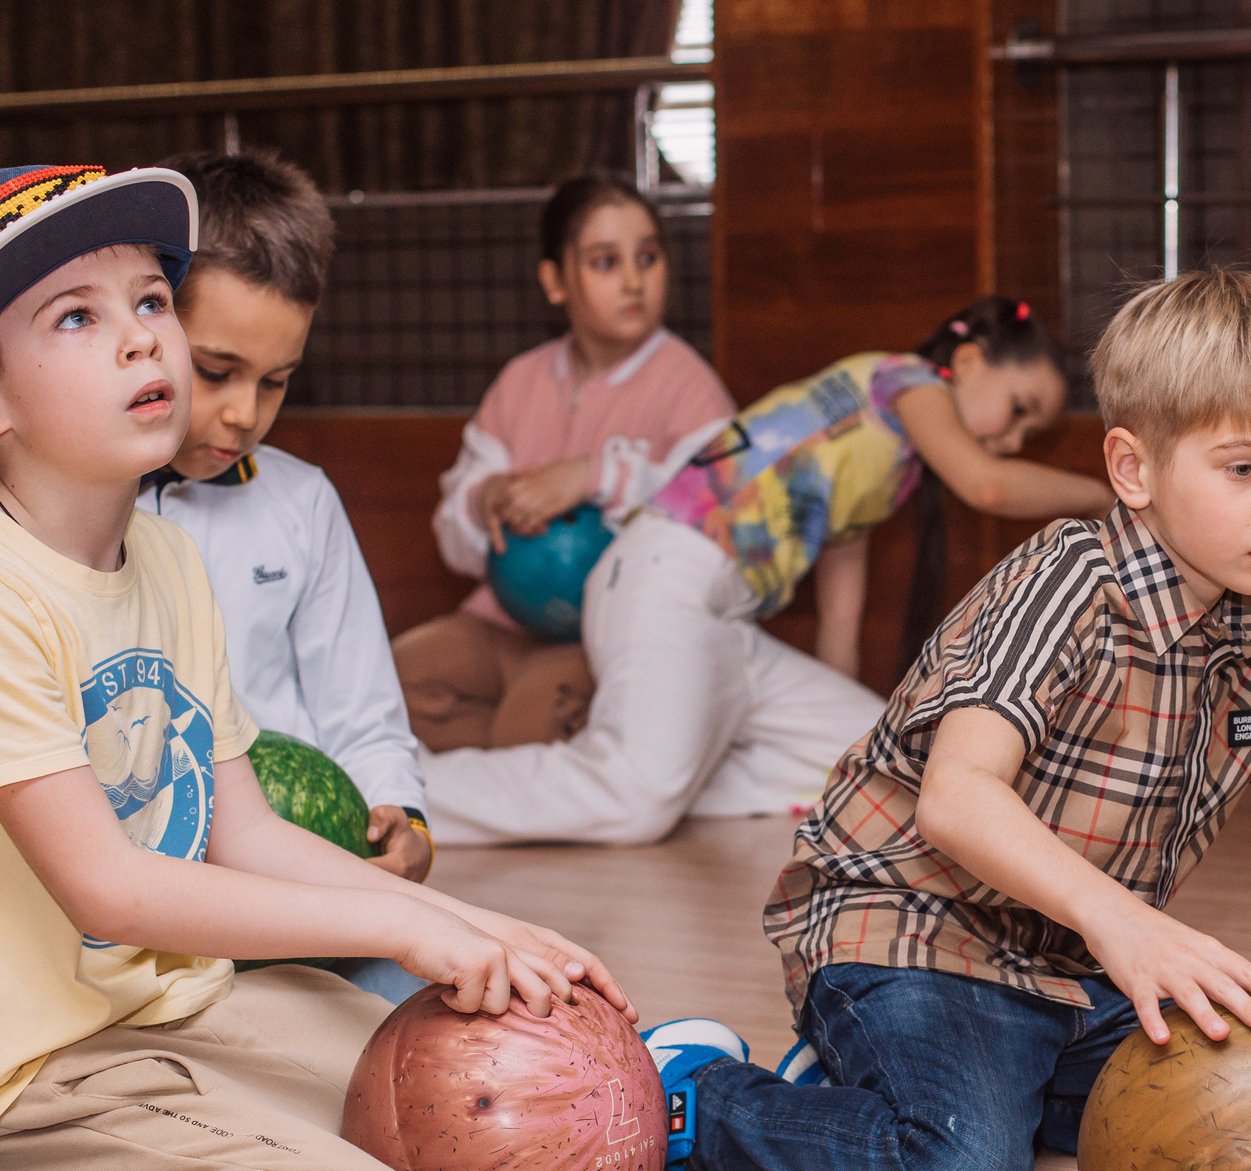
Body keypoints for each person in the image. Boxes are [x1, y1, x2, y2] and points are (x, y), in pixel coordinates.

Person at [0, 164, 631, 1171]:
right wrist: (406, 925)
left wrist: (474, 934)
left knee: (487, 1111)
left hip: (181, 1021)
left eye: (148, 298)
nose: (141, 330)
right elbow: (113, 885)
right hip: (38, 1078)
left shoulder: (168, 561)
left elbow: (243, 830)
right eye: (75, 316)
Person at [636, 270, 1251, 1171]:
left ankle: (875, 1087)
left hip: (1063, 970)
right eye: (1243, 470)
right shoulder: (1070, 580)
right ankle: (701, 1099)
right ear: (1133, 471)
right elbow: (957, 799)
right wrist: (1124, 924)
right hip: (910, 930)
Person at [419, 295, 1115, 849]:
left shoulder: (879, 464)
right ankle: (412, 792)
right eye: (1020, 409)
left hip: (721, 617)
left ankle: (683, 756)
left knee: (879, 770)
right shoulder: (904, 381)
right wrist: (1111, 498)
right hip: (668, 574)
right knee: (634, 797)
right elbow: (987, 485)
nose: (1014, 438)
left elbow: (841, 619)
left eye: (1030, 433)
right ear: (965, 361)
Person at [0, 148, 433, 893]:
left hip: (292, 860)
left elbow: (362, 705)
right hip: (121, 879)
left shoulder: (302, 502)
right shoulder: (13, 522)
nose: (245, 414)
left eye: (276, 382)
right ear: (152, 326)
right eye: (217, 371)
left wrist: (399, 812)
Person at [391, 175, 732, 755]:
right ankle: (501, 762)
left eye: (648, 258)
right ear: (555, 281)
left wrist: (597, 475)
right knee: (395, 679)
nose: (633, 281)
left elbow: (722, 521)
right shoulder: (521, 381)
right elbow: (454, 535)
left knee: (528, 729)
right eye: (605, 262)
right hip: (498, 623)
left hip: (602, 641)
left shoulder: (690, 387)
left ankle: (503, 756)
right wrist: (487, 498)